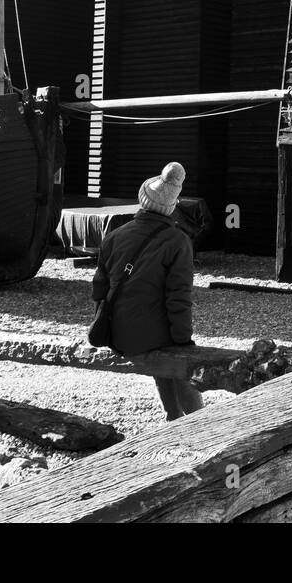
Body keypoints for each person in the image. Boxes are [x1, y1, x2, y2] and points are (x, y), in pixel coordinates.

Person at [91, 161, 204, 420]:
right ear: (171, 207)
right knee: (176, 357)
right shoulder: (178, 241)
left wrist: (105, 325)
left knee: (160, 347)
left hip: (117, 335)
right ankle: (198, 422)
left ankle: (173, 416)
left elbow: (99, 289)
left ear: (143, 199)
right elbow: (178, 298)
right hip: (152, 337)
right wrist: (184, 342)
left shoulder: (114, 236)